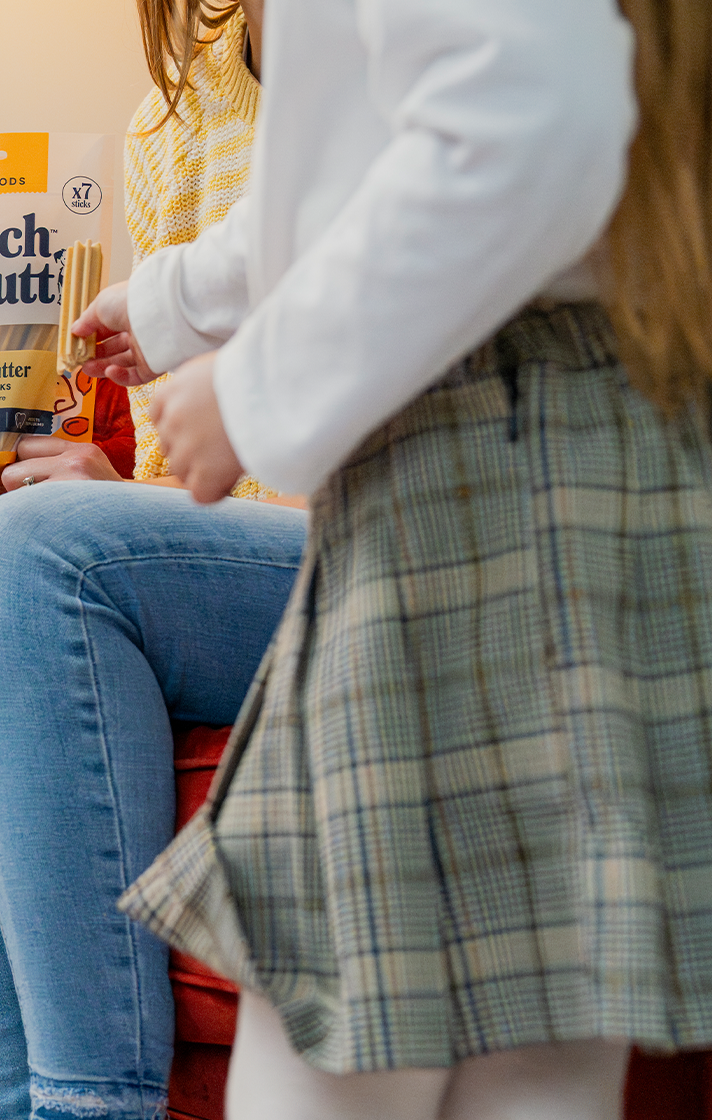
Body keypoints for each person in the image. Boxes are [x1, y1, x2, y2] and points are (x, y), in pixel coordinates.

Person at [81, 1, 712, 1117]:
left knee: (327, 1018)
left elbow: (527, 117)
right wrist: (175, 302)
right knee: (538, 1033)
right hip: (593, 429)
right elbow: (371, 164)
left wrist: (250, 386)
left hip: (471, 453)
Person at [0, 3, 305, 1116]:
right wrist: (3, 469)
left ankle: (86, 1103)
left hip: (354, 534)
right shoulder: (175, 115)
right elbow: (163, 439)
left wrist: (119, 514)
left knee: (41, 554)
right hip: (213, 539)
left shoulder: (382, 61)